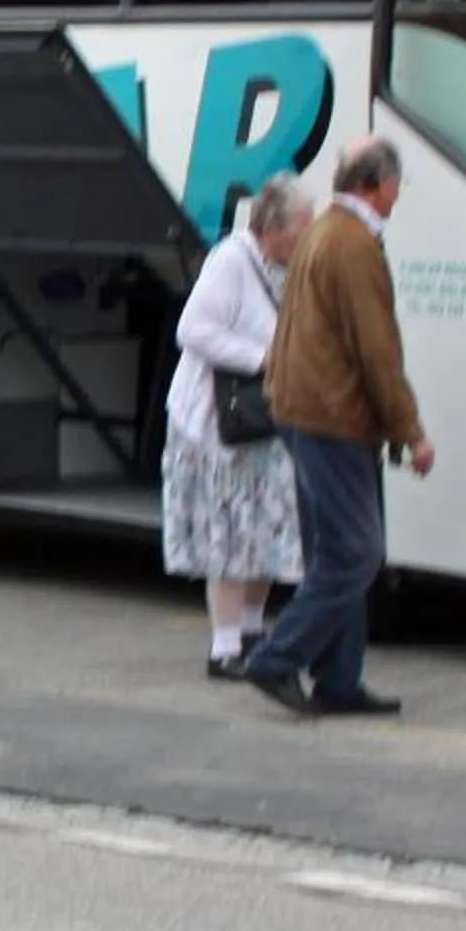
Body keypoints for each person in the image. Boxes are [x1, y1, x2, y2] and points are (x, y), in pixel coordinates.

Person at [244, 138, 435, 719]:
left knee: (333, 551)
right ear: (376, 185)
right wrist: (411, 431)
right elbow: (376, 350)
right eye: (397, 184)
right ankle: (277, 658)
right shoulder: (353, 245)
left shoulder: (323, 233)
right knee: (356, 552)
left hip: (305, 412)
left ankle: (338, 681)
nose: (399, 195)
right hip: (334, 418)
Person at [161, 173, 312, 678]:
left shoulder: (287, 267)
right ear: (273, 228)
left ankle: (251, 632)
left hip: (264, 421)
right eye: (302, 226)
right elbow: (193, 330)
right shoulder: (231, 261)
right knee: (227, 532)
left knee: (267, 527)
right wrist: (262, 357)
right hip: (213, 425)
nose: (309, 235)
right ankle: (224, 649)